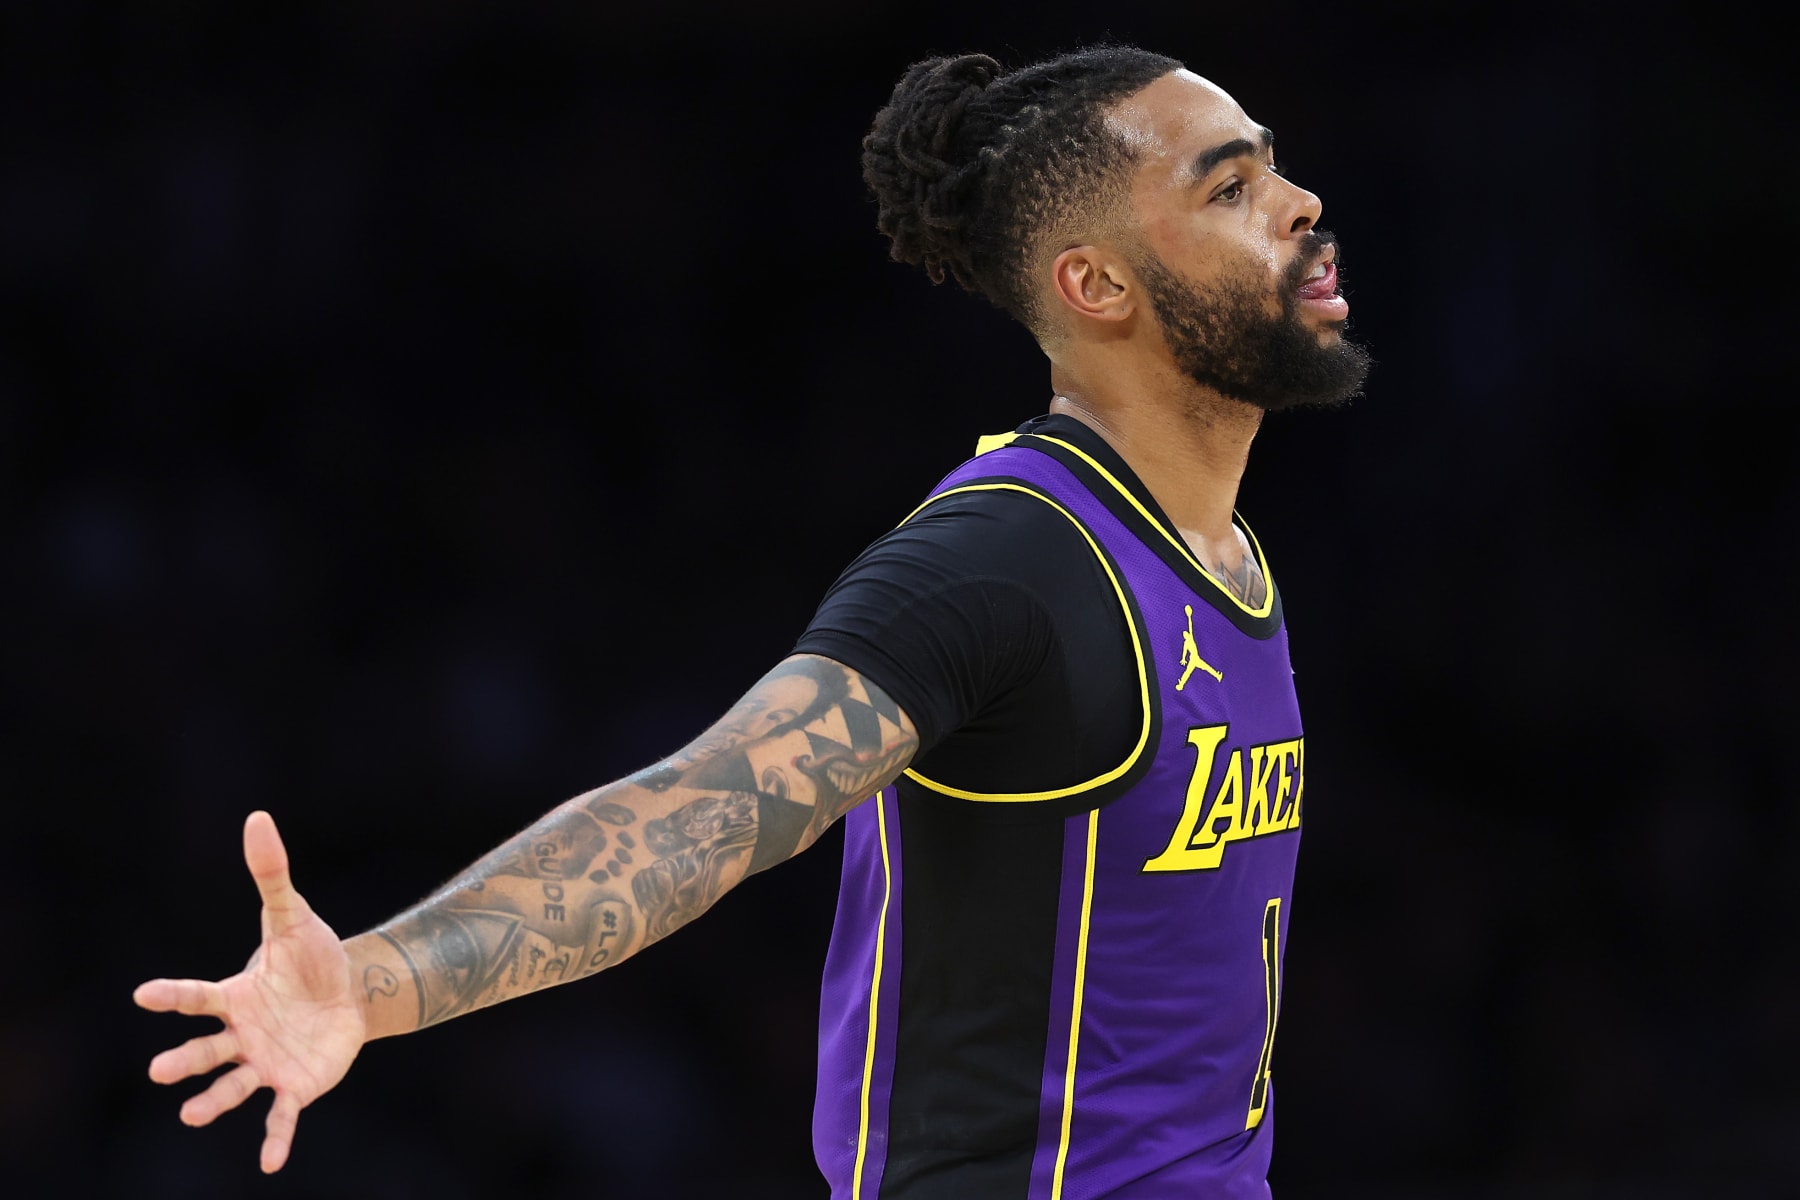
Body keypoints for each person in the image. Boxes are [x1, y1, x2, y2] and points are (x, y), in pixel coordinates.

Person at [135, 44, 1370, 1199]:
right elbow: (698, 813)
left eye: (1274, 164)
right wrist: (369, 982)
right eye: (1232, 188)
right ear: (1095, 284)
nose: (1301, 201)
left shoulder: (1218, 548)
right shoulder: (1009, 561)